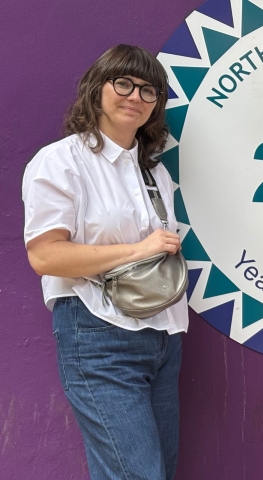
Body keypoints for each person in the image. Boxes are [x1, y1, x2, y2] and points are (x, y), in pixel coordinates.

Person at [22, 45, 186, 480]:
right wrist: (139, 249)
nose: (136, 96)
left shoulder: (155, 173)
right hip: (97, 333)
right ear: (97, 89)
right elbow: (45, 255)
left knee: (156, 472)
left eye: (149, 90)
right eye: (124, 83)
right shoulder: (61, 162)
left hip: (164, 337)